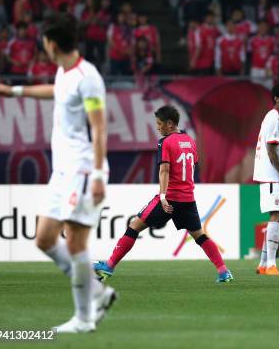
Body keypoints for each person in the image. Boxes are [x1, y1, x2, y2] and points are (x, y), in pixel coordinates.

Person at [0, 13, 116, 333]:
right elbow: (56, 92)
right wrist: (15, 91)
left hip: (84, 169)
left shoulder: (88, 77)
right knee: (45, 239)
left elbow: (100, 129)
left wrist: (99, 175)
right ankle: (99, 292)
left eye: (44, 41)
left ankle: (84, 319)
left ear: (52, 43)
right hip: (62, 171)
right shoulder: (65, 72)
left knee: (75, 242)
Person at [93, 105, 234, 284]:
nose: (157, 127)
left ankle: (109, 266)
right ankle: (223, 271)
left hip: (170, 198)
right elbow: (193, 165)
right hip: (188, 199)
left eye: (160, 124)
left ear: (169, 123)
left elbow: (164, 170)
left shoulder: (165, 142)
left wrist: (162, 196)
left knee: (134, 226)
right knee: (199, 235)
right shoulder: (190, 141)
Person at [253, 83, 279, 276]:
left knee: (278, 217)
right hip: (273, 177)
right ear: (277, 98)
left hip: (276, 176)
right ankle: (271, 265)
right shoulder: (274, 118)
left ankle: (263, 264)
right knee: (276, 216)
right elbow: (271, 151)